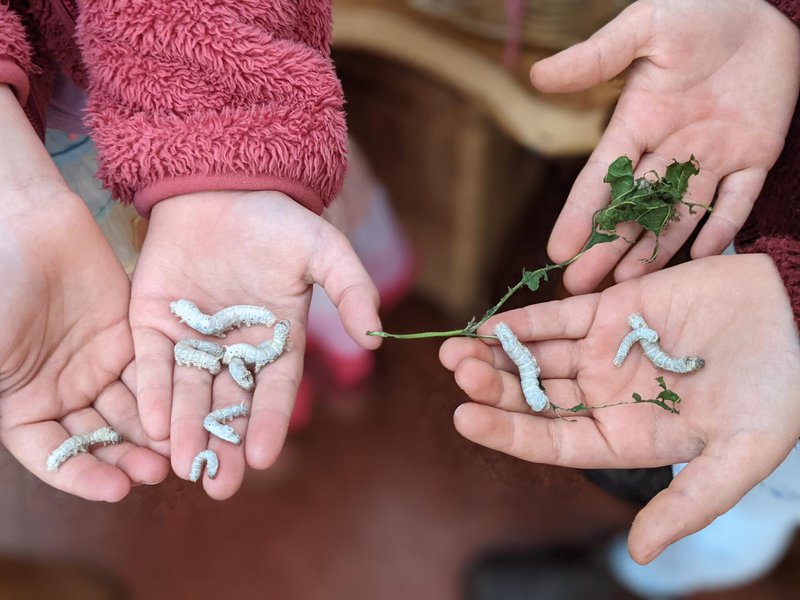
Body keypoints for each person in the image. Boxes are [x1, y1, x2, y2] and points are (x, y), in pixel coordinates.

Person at [440, 0, 800, 596]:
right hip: (761, 210)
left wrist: (791, 307)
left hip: (780, 337)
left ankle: (644, 580)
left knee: (747, 497)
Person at [0, 1, 382, 500]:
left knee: (277, 291)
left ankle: (312, 379)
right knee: (179, 338)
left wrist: (216, 142)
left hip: (212, 132)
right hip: (43, 147)